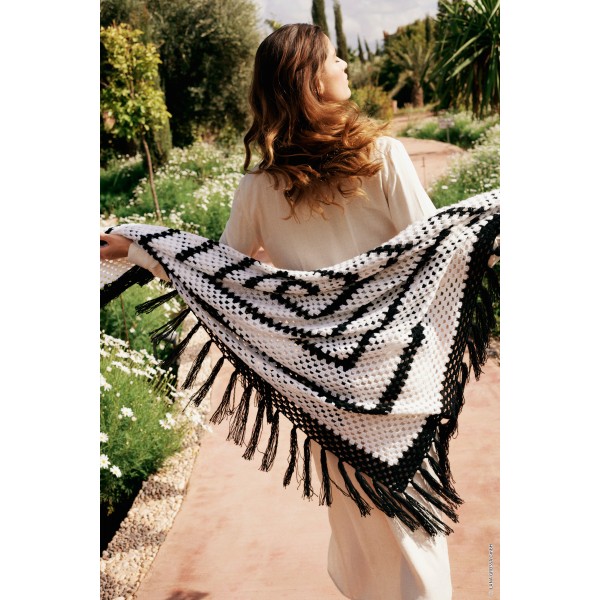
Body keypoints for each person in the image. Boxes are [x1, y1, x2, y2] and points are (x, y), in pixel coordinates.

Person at [101, 23, 453, 600]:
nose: (344, 66)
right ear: (311, 79)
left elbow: (216, 269)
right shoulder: (383, 156)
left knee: (360, 524)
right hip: (397, 379)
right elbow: (435, 247)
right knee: (415, 528)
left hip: (322, 387)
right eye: (334, 59)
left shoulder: (261, 186)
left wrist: (140, 245)